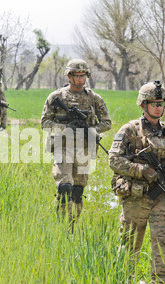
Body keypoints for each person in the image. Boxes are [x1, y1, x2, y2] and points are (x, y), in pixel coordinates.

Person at [108, 80, 165, 284]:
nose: (159, 107)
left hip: (160, 198)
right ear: (143, 105)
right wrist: (142, 170)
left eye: (161, 103)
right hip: (135, 197)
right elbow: (114, 160)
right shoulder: (129, 130)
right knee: (129, 245)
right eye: (154, 103)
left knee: (162, 245)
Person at [41, 59, 112, 232]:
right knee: (65, 187)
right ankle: (61, 228)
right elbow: (45, 122)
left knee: (77, 191)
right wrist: (65, 128)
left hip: (84, 148)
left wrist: (92, 130)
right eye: (77, 76)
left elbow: (107, 123)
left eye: (83, 76)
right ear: (69, 76)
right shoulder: (56, 97)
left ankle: (72, 227)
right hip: (62, 146)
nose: (80, 79)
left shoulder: (94, 98)